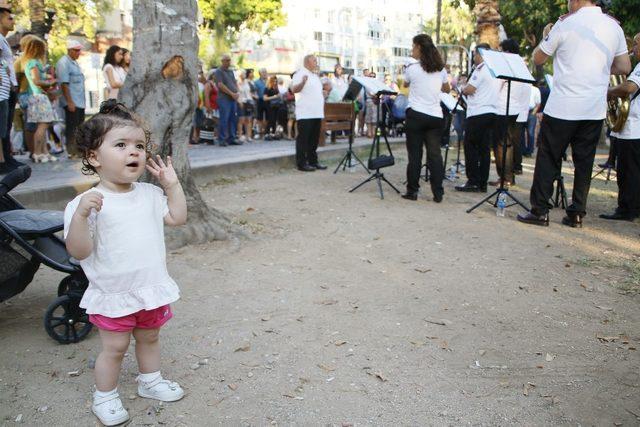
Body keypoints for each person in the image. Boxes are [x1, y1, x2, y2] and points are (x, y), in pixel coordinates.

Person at [64, 101, 187, 426]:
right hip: (113, 293)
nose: (134, 152)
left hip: (150, 289)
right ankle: (104, 396)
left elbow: (177, 217)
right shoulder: (84, 204)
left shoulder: (148, 193)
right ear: (93, 157)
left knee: (150, 338)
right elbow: (79, 250)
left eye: (139, 146)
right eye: (121, 145)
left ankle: (150, 381)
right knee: (115, 348)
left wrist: (172, 185)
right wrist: (80, 216)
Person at [517, 0, 631, 227]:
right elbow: (624, 66)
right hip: (593, 108)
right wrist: (597, 67)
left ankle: (540, 210)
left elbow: (538, 58)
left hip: (563, 106)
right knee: (584, 161)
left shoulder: (565, 24)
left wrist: (546, 35)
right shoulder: (613, 26)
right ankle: (577, 212)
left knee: (548, 157)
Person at [401, 34, 450, 203]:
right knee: (435, 155)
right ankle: (438, 193)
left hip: (416, 114)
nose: (411, 50)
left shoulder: (412, 68)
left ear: (419, 48)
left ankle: (412, 191)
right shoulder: (441, 69)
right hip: (435, 116)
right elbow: (447, 89)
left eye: (413, 47)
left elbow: (405, 84)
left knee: (415, 155)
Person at [599, 32, 640, 221]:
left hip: (633, 128)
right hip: (633, 128)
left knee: (627, 172)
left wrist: (609, 92)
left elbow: (629, 88)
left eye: (636, 45)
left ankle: (626, 209)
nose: (633, 50)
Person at [455, 43, 501, 192]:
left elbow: (469, 89)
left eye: (475, 54)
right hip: (492, 112)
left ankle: (473, 180)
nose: (474, 57)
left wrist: (462, 86)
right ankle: (482, 182)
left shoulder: (480, 69)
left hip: (477, 113)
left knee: (471, 146)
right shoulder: (495, 70)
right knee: (484, 149)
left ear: (481, 54)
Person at [491, 38, 531, 186]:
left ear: (506, 51)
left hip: (503, 109)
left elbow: (496, 86)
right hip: (517, 110)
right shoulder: (522, 65)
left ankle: (505, 177)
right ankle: (508, 177)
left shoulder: (506, 63)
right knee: (509, 146)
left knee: (502, 146)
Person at [24, 36, 57, 163]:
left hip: (38, 96)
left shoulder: (34, 62)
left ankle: (44, 151)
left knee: (43, 125)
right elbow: (36, 80)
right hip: (38, 96)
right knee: (42, 125)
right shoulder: (33, 63)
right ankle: (38, 152)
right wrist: (50, 83)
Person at [292, 54, 325, 171]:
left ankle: (313, 161)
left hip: (316, 112)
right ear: (307, 62)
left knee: (314, 140)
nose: (316, 62)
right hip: (305, 113)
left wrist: (323, 94)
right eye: (314, 60)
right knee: (303, 139)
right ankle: (301, 163)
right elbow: (294, 90)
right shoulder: (300, 73)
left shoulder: (315, 76)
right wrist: (302, 83)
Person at [56, 39, 86, 158]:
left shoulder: (75, 63)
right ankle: (72, 151)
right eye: (76, 50)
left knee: (79, 126)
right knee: (72, 126)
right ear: (69, 50)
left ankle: (78, 150)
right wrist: (69, 101)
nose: (78, 53)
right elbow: (64, 84)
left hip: (79, 100)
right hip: (72, 100)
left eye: (79, 50)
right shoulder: (64, 63)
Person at [0, 4, 20, 174]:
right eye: (9, 18)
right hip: (3, 89)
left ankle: (7, 157)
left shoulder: (3, 39)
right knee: (3, 126)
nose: (13, 21)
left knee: (6, 126)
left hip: (8, 88)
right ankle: (3, 160)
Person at [215, 54, 241, 146]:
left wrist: (237, 92)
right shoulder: (219, 71)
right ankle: (222, 139)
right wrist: (232, 93)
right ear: (222, 61)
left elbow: (234, 83)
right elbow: (220, 85)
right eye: (226, 60)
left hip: (233, 99)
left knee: (233, 119)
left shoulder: (231, 71)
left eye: (229, 60)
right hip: (224, 99)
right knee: (224, 119)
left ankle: (232, 138)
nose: (228, 62)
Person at [237, 69, 255, 142]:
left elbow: (249, 91)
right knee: (241, 120)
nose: (244, 74)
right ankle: (240, 136)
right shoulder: (237, 82)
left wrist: (252, 99)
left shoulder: (247, 82)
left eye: (245, 73)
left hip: (249, 102)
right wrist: (239, 101)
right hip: (241, 102)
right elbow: (237, 93)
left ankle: (248, 136)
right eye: (243, 73)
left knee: (249, 120)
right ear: (240, 75)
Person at [524, 82, 541, 157]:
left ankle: (529, 150)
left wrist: (533, 113)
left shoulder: (535, 90)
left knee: (530, 132)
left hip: (531, 111)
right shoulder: (522, 88)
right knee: (521, 133)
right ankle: (523, 150)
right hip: (523, 110)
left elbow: (538, 103)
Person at [263, 75, 282, 139]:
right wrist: (274, 97)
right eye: (273, 81)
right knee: (270, 119)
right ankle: (267, 133)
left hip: (276, 106)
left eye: (276, 81)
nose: (275, 82)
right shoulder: (267, 88)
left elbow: (278, 96)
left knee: (275, 120)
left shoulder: (276, 88)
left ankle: (273, 133)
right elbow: (265, 98)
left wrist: (279, 96)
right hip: (269, 106)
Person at [254, 68, 268, 138]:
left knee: (267, 117)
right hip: (260, 100)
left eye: (265, 72)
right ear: (260, 74)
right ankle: (260, 132)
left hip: (268, 101)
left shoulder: (269, 81)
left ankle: (265, 132)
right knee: (259, 117)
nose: (265, 73)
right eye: (263, 72)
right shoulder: (256, 82)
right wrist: (256, 96)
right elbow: (254, 92)